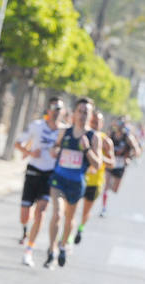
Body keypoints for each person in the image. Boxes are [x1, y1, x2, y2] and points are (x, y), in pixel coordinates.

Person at [44, 98, 102, 268]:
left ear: (90, 116)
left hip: (76, 183)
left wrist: (86, 149)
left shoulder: (93, 137)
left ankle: (63, 245)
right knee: (58, 213)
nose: (83, 115)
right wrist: (54, 151)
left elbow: (97, 164)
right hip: (59, 179)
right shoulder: (65, 132)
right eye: (80, 111)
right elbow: (55, 147)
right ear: (75, 113)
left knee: (69, 219)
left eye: (86, 112)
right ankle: (52, 249)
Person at [14, 97, 64, 267]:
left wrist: (58, 154)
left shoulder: (63, 131)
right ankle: (25, 231)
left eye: (60, 108)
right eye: (54, 107)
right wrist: (29, 152)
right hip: (33, 172)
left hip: (49, 175)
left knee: (41, 212)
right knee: (25, 215)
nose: (57, 111)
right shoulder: (36, 126)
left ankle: (29, 250)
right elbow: (18, 143)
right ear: (48, 110)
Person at [74, 110, 114, 244]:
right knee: (72, 210)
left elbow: (112, 163)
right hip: (80, 178)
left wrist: (98, 157)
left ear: (102, 124)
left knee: (86, 211)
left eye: (98, 122)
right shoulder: (82, 136)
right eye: (93, 121)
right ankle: (67, 237)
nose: (95, 124)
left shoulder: (106, 141)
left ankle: (80, 229)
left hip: (95, 182)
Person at [101, 120, 140, 216]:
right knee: (106, 187)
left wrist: (130, 157)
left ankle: (109, 185)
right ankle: (104, 208)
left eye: (122, 125)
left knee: (115, 190)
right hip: (110, 163)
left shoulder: (128, 137)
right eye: (119, 125)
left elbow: (137, 150)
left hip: (120, 165)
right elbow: (103, 145)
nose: (120, 127)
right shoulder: (111, 135)